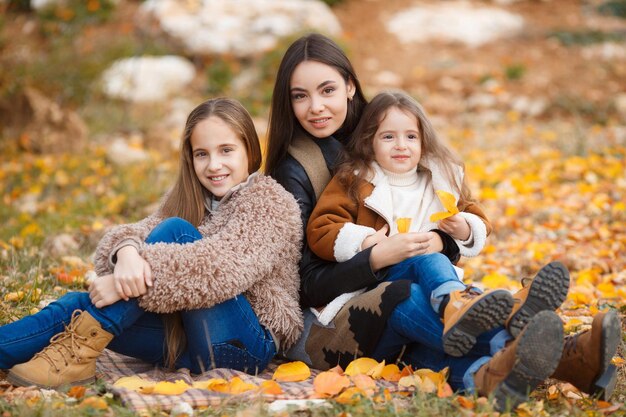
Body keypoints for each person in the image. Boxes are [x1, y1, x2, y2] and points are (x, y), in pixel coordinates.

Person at [265, 32, 621, 410]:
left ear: (350, 86)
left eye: (327, 90)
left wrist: (445, 240)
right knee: (410, 298)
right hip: (328, 324)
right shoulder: (296, 170)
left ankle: (499, 371)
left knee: (430, 329)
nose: (316, 107)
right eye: (300, 96)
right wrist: (377, 255)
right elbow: (303, 285)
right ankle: (562, 355)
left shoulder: (383, 135)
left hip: (389, 301)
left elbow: (445, 208)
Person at [0, 98, 304, 388]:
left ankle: (78, 351)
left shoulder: (269, 201)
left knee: (176, 231)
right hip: (189, 340)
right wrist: (127, 252)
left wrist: (122, 283)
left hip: (245, 347)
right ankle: (51, 356)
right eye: (202, 154)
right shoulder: (192, 198)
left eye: (226, 150)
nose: (214, 165)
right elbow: (129, 235)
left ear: (250, 152)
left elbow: (220, 269)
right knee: (78, 309)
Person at [306, 90, 515, 357]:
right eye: (388, 136)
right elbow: (322, 228)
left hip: (428, 289)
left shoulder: (440, 180)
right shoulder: (356, 180)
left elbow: (479, 220)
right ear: (370, 143)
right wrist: (367, 241)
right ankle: (465, 311)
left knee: (424, 352)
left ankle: (479, 370)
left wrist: (462, 228)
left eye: (411, 136)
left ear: (423, 142)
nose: (401, 145)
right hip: (380, 284)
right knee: (429, 261)